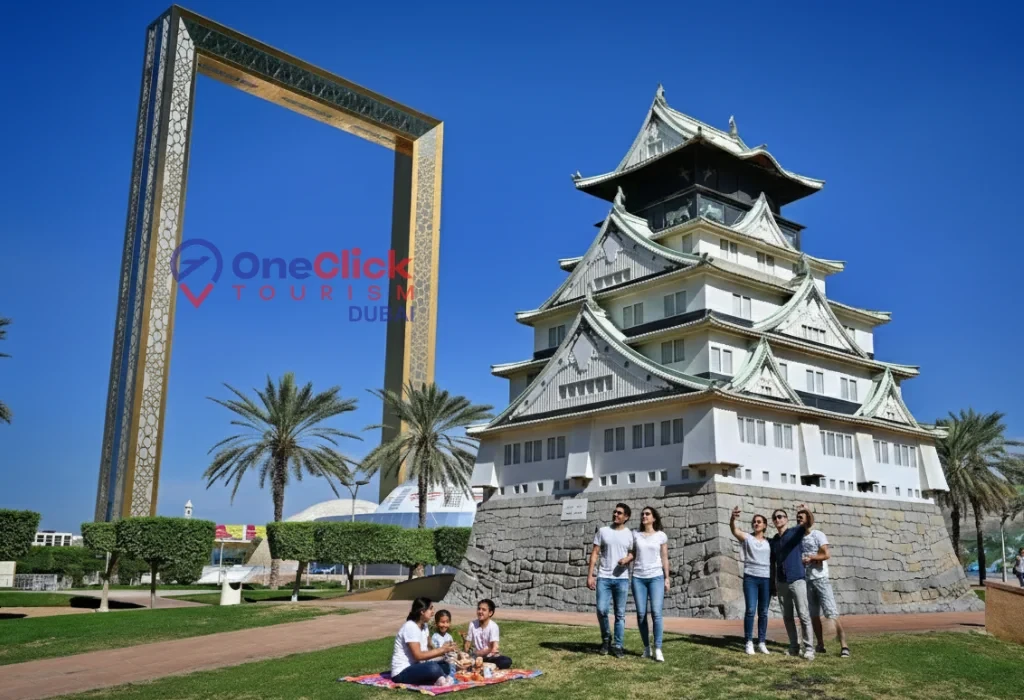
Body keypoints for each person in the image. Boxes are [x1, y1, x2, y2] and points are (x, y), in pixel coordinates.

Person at [796, 505, 850, 658]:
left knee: (831, 612)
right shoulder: (798, 538)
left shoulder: (817, 534)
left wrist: (812, 558)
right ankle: (820, 644)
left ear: (808, 519)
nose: (799, 518)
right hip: (806, 580)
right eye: (797, 516)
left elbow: (826, 554)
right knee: (813, 615)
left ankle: (844, 646)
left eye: (802, 516)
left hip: (820, 579)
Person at [587, 502, 633, 657]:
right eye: (615, 512)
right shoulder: (603, 531)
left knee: (620, 614)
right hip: (604, 577)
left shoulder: (629, 534)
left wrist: (627, 559)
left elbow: (633, 553)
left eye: (619, 513)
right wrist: (590, 575)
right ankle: (606, 639)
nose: (616, 515)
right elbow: (594, 553)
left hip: (622, 578)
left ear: (626, 517)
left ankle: (618, 645)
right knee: (601, 610)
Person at [769, 507, 815, 660]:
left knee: (803, 614)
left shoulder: (795, 532)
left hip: (797, 579)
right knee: (787, 617)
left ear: (786, 519)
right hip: (782, 582)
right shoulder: (774, 541)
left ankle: (809, 648)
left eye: (781, 517)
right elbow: (773, 563)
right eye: (775, 518)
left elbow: (809, 522)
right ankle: (794, 647)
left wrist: (806, 510)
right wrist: (773, 583)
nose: (778, 519)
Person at [626, 506, 670, 662]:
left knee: (657, 613)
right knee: (641, 614)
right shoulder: (635, 535)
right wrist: (625, 560)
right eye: (642, 514)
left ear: (654, 518)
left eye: (647, 514)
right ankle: (646, 647)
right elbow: (632, 553)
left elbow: (664, 557)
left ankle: (658, 648)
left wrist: (667, 577)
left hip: (656, 577)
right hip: (638, 578)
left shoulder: (661, 536)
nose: (644, 516)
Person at [729, 506, 771, 655]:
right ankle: (748, 642)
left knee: (764, 612)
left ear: (765, 525)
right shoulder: (748, 538)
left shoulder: (769, 542)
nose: (756, 523)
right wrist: (733, 518)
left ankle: (761, 642)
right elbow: (734, 530)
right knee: (751, 610)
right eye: (754, 522)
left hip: (766, 579)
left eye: (759, 522)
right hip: (751, 578)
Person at [391, 597, 457, 685]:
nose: (433, 612)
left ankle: (439, 676)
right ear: (422, 611)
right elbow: (418, 656)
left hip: (418, 667)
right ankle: (439, 677)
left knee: (445, 664)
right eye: (430, 609)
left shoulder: (424, 626)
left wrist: (447, 653)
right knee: (433, 668)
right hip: (402, 672)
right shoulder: (410, 627)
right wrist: (442, 650)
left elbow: (430, 649)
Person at [463, 598, 513, 669]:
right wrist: (466, 656)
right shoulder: (472, 624)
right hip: (475, 656)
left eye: (483, 610)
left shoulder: (493, 626)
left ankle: (485, 666)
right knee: (465, 662)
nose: (480, 612)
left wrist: (484, 653)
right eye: (479, 609)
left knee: (506, 661)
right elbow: (467, 644)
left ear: (490, 613)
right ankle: (486, 667)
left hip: (489, 657)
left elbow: (494, 647)